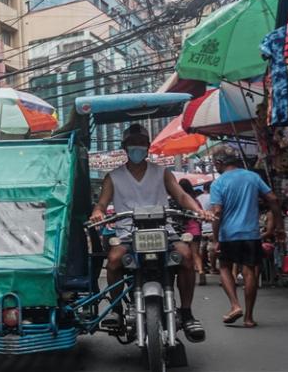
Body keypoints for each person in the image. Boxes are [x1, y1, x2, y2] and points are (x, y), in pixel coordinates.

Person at [90, 124, 210, 343]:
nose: (138, 148)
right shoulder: (113, 176)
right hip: (128, 232)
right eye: (133, 144)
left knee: (186, 256)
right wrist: (98, 213)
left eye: (141, 144)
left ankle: (186, 312)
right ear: (125, 147)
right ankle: (116, 309)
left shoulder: (161, 172)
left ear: (147, 147)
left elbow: (182, 196)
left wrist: (199, 211)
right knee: (114, 260)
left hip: (163, 230)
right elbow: (102, 203)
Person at [209, 146, 283, 328]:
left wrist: (215, 237)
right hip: (251, 233)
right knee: (250, 271)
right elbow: (273, 199)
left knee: (225, 267)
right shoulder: (252, 177)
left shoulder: (218, 183)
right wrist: (279, 226)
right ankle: (249, 318)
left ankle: (235, 305)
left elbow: (217, 211)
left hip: (228, 235)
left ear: (219, 163)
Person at [177, 179, 206, 286]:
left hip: (183, 231)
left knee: (184, 254)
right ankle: (201, 270)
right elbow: (200, 215)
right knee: (195, 253)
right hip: (195, 230)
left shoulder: (179, 200)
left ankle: (186, 274)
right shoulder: (195, 201)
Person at [197, 182, 219, 277]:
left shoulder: (198, 198)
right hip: (211, 226)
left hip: (201, 226)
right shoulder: (213, 198)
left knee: (202, 248)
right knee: (212, 248)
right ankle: (213, 268)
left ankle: (202, 267)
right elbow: (217, 211)